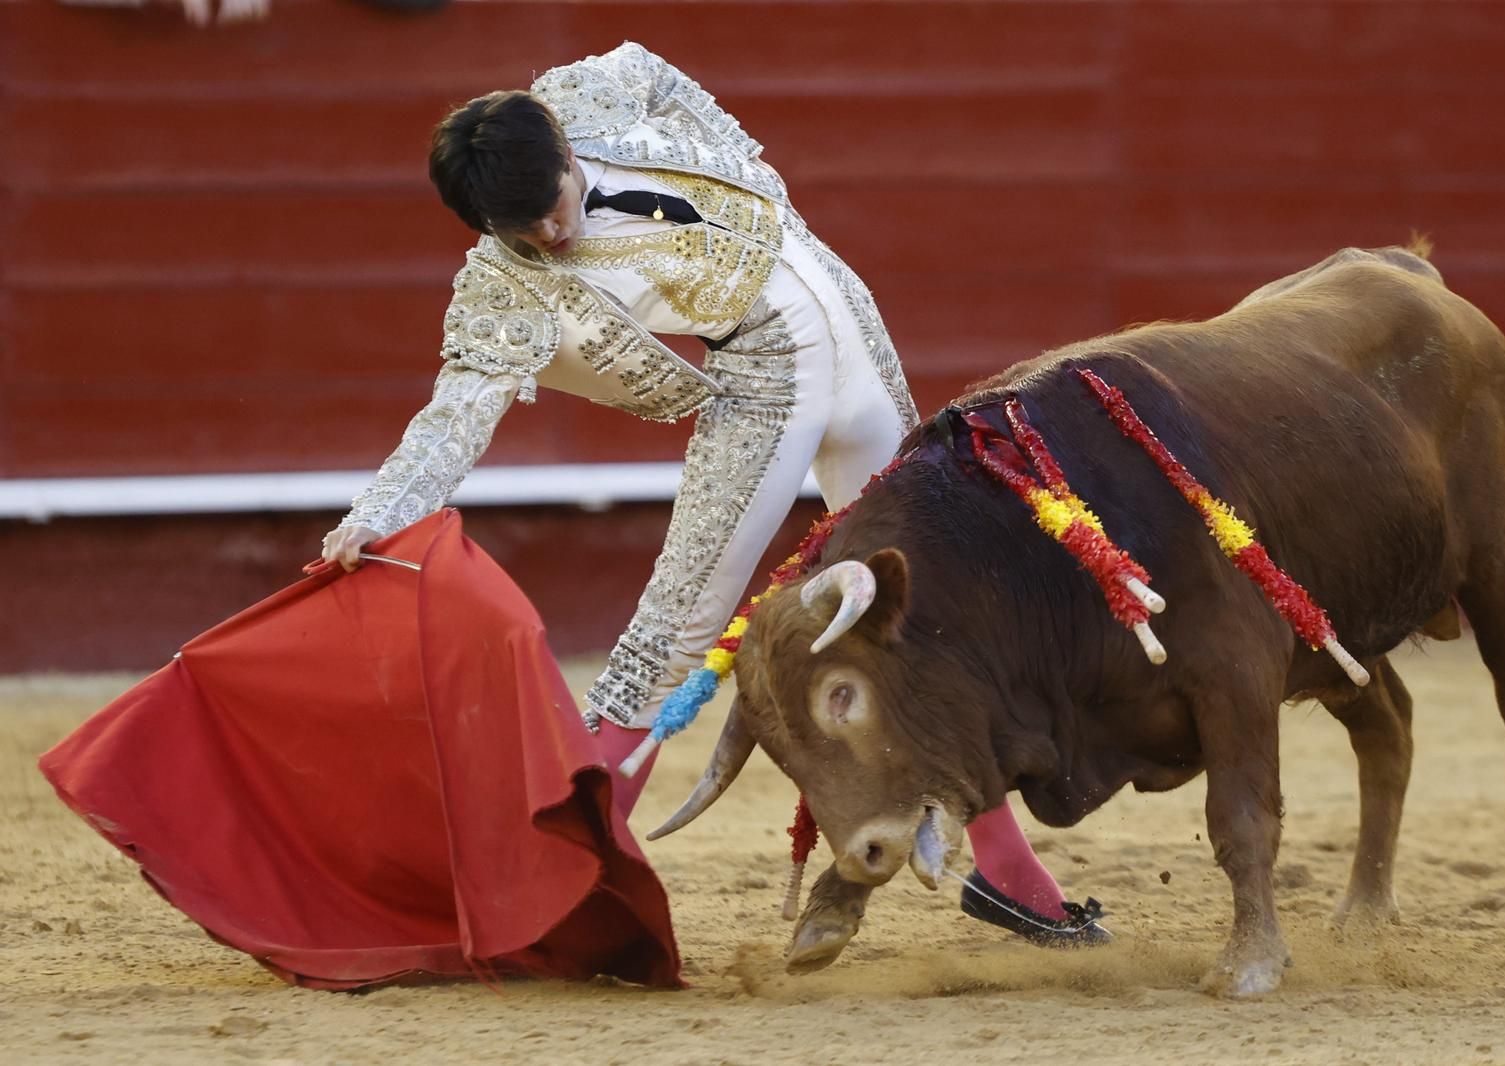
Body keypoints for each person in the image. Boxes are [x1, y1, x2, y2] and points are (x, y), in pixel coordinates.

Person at [320, 42, 1102, 946]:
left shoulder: (585, 99)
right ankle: (556, 882)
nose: (548, 238)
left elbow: (647, 65)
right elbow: (456, 413)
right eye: (519, 231)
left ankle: (1007, 875)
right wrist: (378, 515)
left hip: (850, 321)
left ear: (566, 152)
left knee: (921, 610)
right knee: (674, 633)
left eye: (550, 209)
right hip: (763, 391)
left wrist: (737, 153)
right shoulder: (506, 284)